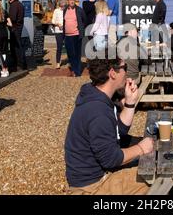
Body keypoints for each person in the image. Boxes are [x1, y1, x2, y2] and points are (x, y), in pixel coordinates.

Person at [65, 54, 154, 195]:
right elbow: (111, 159)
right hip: (92, 186)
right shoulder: (98, 111)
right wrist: (140, 148)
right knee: (154, 177)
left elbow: (118, 131)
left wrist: (130, 102)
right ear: (113, 73)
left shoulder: (95, 93)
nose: (127, 72)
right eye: (124, 67)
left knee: (149, 163)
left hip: (93, 176)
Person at [63, 0, 87, 77]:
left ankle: (77, 72)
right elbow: (64, 21)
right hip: (67, 35)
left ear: (75, 0)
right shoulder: (65, 10)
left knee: (76, 54)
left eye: (73, 0)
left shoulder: (79, 10)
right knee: (70, 54)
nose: (72, 1)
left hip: (76, 35)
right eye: (70, 0)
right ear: (68, 1)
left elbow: (85, 20)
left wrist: (80, 28)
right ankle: (73, 69)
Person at [8, 0, 27, 71]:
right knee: (18, 46)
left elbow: (13, 18)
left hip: (14, 28)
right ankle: (21, 64)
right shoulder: (20, 4)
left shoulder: (14, 5)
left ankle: (19, 64)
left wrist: (6, 21)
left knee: (16, 47)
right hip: (19, 27)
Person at [52, 0, 66, 69]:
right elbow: (53, 21)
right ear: (60, 5)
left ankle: (70, 62)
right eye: (62, 6)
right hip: (58, 31)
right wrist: (58, 24)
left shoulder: (66, 11)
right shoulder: (56, 11)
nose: (63, 7)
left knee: (68, 47)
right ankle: (58, 62)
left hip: (66, 31)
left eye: (64, 6)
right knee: (59, 47)